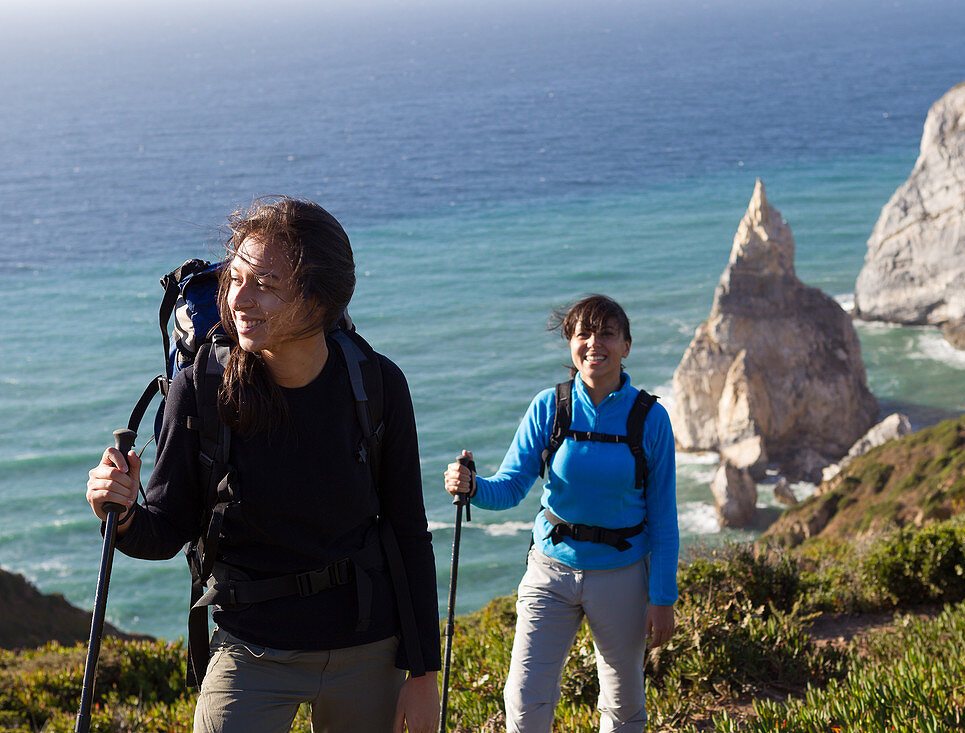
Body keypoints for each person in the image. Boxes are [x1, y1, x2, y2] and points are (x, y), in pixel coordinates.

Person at [86, 196, 441, 733]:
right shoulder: (200, 388)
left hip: (367, 646)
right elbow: (166, 529)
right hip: (250, 648)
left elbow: (409, 531)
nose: (239, 300)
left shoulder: (377, 384)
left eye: (266, 284)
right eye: (235, 279)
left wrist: (424, 673)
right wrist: (121, 510)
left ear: (319, 300)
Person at [443, 294, 678, 733]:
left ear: (626, 345)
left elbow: (664, 517)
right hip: (550, 571)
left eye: (607, 333)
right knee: (524, 697)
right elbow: (511, 487)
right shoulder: (550, 406)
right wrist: (473, 487)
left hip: (622, 574)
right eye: (582, 333)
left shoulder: (651, 418)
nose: (594, 343)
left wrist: (662, 599)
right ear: (570, 342)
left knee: (623, 705)